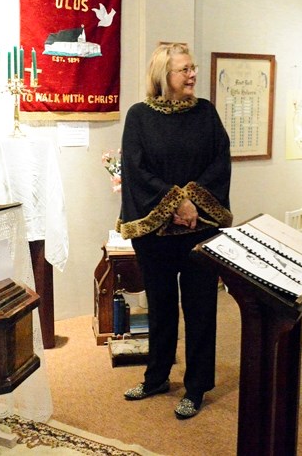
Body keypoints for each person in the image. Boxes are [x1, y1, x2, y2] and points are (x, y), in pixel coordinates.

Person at [117, 43, 233, 419]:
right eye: (184, 69)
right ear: (163, 76)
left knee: (201, 309)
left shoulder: (206, 113)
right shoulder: (138, 116)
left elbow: (220, 161)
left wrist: (192, 205)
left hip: (198, 231)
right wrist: (174, 203)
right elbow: (135, 170)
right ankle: (157, 378)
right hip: (155, 236)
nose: (192, 74)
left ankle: (197, 386)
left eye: (193, 67)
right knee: (160, 309)